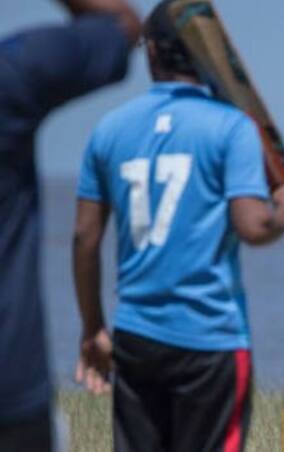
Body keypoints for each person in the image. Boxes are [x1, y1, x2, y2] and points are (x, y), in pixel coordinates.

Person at [71, 2, 284, 450]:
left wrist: (92, 327)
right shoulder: (231, 128)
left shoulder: (109, 130)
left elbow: (85, 238)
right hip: (210, 340)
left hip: (136, 336)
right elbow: (254, 227)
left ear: (153, 53)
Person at [0, 1, 139, 450]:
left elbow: (86, 235)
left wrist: (93, 324)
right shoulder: (11, 73)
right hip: (11, 399)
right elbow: (121, 24)